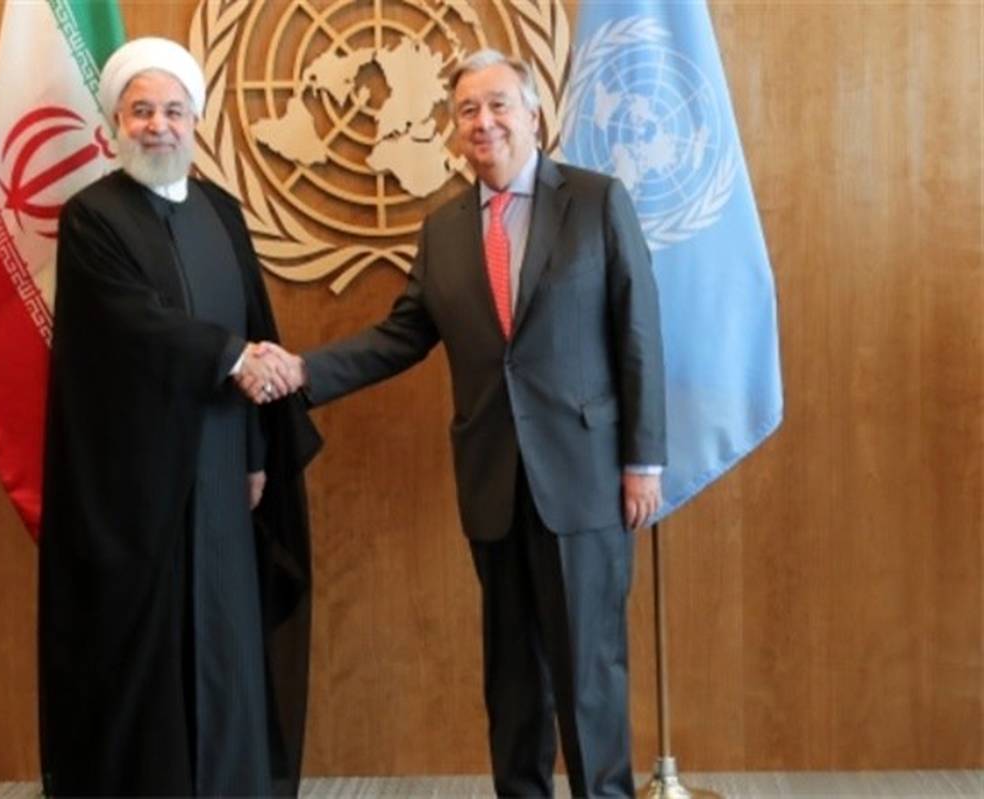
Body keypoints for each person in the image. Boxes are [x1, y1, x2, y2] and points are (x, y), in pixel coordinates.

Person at [255, 49, 666, 798]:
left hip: (586, 480)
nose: (484, 121)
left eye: (499, 104)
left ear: (533, 112)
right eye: (468, 109)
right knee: (512, 682)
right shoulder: (443, 229)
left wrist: (644, 461)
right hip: (493, 483)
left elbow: (637, 330)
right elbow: (402, 335)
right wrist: (303, 371)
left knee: (589, 677)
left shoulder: (596, 200)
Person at [38, 37, 320, 797]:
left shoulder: (222, 211)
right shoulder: (93, 217)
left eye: (172, 111)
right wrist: (233, 356)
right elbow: (133, 324)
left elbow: (255, 321)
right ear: (115, 123)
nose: (157, 126)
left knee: (225, 635)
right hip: (135, 484)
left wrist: (257, 453)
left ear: (195, 121)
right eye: (141, 111)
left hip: (222, 466)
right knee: (150, 653)